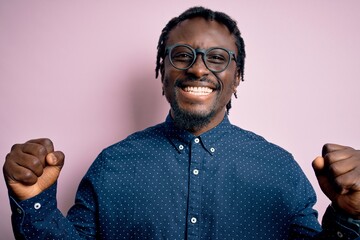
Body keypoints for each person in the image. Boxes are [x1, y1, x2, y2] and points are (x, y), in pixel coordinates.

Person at [3, 6, 360, 240]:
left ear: (238, 77)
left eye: (217, 58)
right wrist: (33, 201)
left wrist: (349, 215)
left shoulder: (280, 169)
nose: (199, 68)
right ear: (162, 72)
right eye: (182, 55)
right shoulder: (111, 166)